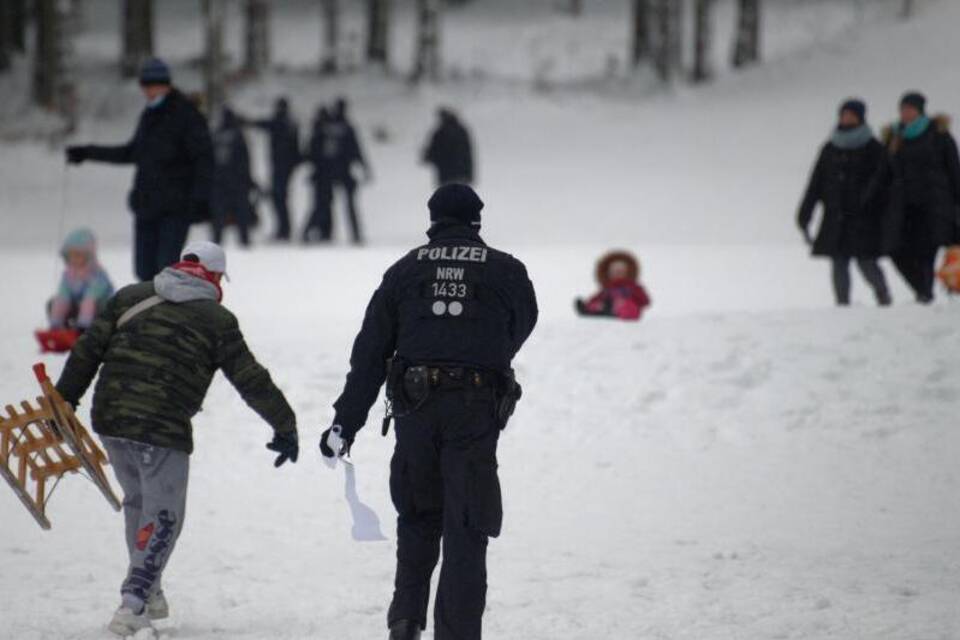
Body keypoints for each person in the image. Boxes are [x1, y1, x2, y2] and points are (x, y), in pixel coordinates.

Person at [321, 184, 538, 640]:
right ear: (477, 220)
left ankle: (405, 623)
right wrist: (481, 355)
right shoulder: (507, 270)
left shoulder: (403, 270)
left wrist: (345, 422)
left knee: (418, 517)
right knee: (466, 523)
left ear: (433, 220)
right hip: (475, 409)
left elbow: (370, 353)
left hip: (414, 407)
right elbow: (520, 325)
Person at [55, 241, 299, 637]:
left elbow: (86, 352)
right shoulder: (216, 319)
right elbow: (249, 377)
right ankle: (132, 603)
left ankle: (148, 590)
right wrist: (284, 425)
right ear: (216, 277)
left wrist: (65, 400)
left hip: (111, 419)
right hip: (161, 428)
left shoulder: (130, 296)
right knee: (165, 514)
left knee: (139, 502)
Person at [66, 58, 213, 282]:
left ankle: (167, 315)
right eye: (146, 86)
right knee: (144, 271)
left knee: (167, 269)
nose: (149, 91)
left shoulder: (187, 116)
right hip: (146, 205)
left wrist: (202, 200)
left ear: (166, 84)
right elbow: (132, 153)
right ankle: (147, 315)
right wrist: (87, 153)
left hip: (175, 208)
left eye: (154, 85)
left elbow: (204, 160)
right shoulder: (149, 115)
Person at [797, 99, 892, 306]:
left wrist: (872, 205)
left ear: (860, 117)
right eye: (844, 114)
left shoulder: (873, 148)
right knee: (839, 263)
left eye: (851, 115)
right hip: (835, 216)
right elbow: (816, 183)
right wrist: (805, 214)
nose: (847, 118)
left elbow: (883, 185)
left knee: (866, 261)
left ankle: (883, 296)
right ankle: (842, 304)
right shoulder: (830, 149)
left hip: (863, 217)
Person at [873, 92, 960, 303]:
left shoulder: (938, 134)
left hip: (933, 204)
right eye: (903, 109)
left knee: (926, 250)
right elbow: (882, 173)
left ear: (920, 110)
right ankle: (921, 288)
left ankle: (925, 293)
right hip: (902, 207)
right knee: (896, 251)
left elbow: (953, 169)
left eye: (910, 109)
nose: (905, 113)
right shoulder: (893, 137)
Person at [242, 97, 301, 242]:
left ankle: (284, 230)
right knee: (280, 197)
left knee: (278, 197)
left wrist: (247, 121)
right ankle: (284, 229)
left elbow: (264, 124)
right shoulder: (291, 123)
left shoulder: (280, 122)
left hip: (280, 165)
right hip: (286, 166)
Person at [322, 97, 371, 244]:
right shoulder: (347, 127)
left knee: (327, 203)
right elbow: (357, 150)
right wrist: (365, 168)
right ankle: (355, 234)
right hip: (344, 171)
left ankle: (327, 232)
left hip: (330, 171)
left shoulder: (327, 126)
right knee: (349, 205)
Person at [49, 228, 115, 331]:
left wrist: (83, 325)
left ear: (88, 256)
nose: (74, 259)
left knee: (90, 303)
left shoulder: (97, 274)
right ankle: (59, 328)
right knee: (55, 302)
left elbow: (91, 296)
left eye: (78, 255)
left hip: (98, 305)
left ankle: (89, 329)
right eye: (71, 255)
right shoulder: (68, 275)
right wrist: (56, 320)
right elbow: (64, 292)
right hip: (80, 305)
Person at [211, 107, 257, 247]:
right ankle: (244, 239)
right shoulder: (237, 136)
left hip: (219, 181)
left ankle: (217, 239)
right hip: (237, 182)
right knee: (241, 212)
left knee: (218, 214)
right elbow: (244, 160)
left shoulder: (216, 135)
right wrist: (248, 180)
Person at [575, 250, 651, 320]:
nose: (617, 274)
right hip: (608, 306)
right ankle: (588, 310)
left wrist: (634, 297)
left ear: (627, 272)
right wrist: (588, 303)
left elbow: (645, 300)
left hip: (626, 308)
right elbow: (597, 297)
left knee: (626, 305)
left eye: (620, 271)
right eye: (614, 272)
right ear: (609, 274)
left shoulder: (632, 286)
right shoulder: (608, 288)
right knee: (599, 304)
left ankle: (616, 312)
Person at [303, 107, 334, 243]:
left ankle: (324, 231)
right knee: (321, 205)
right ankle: (309, 230)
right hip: (322, 176)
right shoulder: (321, 134)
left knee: (324, 205)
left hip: (323, 175)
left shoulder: (320, 133)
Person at [422, 108, 475, 187]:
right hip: (461, 174)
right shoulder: (461, 130)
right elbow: (468, 154)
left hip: (445, 175)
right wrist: (469, 174)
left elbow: (433, 152)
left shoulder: (440, 132)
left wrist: (427, 156)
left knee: (447, 196)